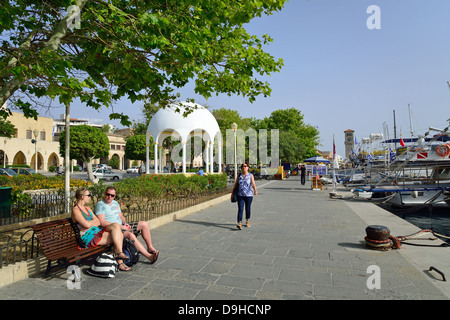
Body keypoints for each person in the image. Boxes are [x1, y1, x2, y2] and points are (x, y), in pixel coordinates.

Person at [71, 188, 131, 271]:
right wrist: (93, 222)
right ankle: (120, 260)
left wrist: (91, 223)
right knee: (119, 235)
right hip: (87, 237)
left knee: (116, 226)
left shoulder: (87, 208)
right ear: (82, 196)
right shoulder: (76, 210)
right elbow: (86, 225)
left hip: (95, 232)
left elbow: (98, 222)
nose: (90, 197)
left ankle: (119, 254)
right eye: (88, 195)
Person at [95, 186, 159, 264]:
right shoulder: (100, 205)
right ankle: (149, 256)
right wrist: (120, 226)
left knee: (144, 224)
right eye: (108, 194)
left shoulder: (115, 203)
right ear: (105, 193)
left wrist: (125, 223)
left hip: (121, 225)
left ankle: (150, 248)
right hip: (113, 229)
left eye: (112, 195)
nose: (110, 197)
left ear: (115, 196)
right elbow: (102, 222)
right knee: (131, 235)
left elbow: (121, 216)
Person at [231, 162, 258, 230]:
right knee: (240, 208)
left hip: (249, 195)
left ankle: (247, 220)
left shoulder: (250, 175)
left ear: (248, 167)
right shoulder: (239, 175)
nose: (244, 167)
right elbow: (235, 184)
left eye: (245, 166)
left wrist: (255, 190)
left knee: (247, 208)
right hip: (240, 195)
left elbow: (253, 183)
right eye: (242, 166)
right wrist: (232, 193)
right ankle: (239, 223)